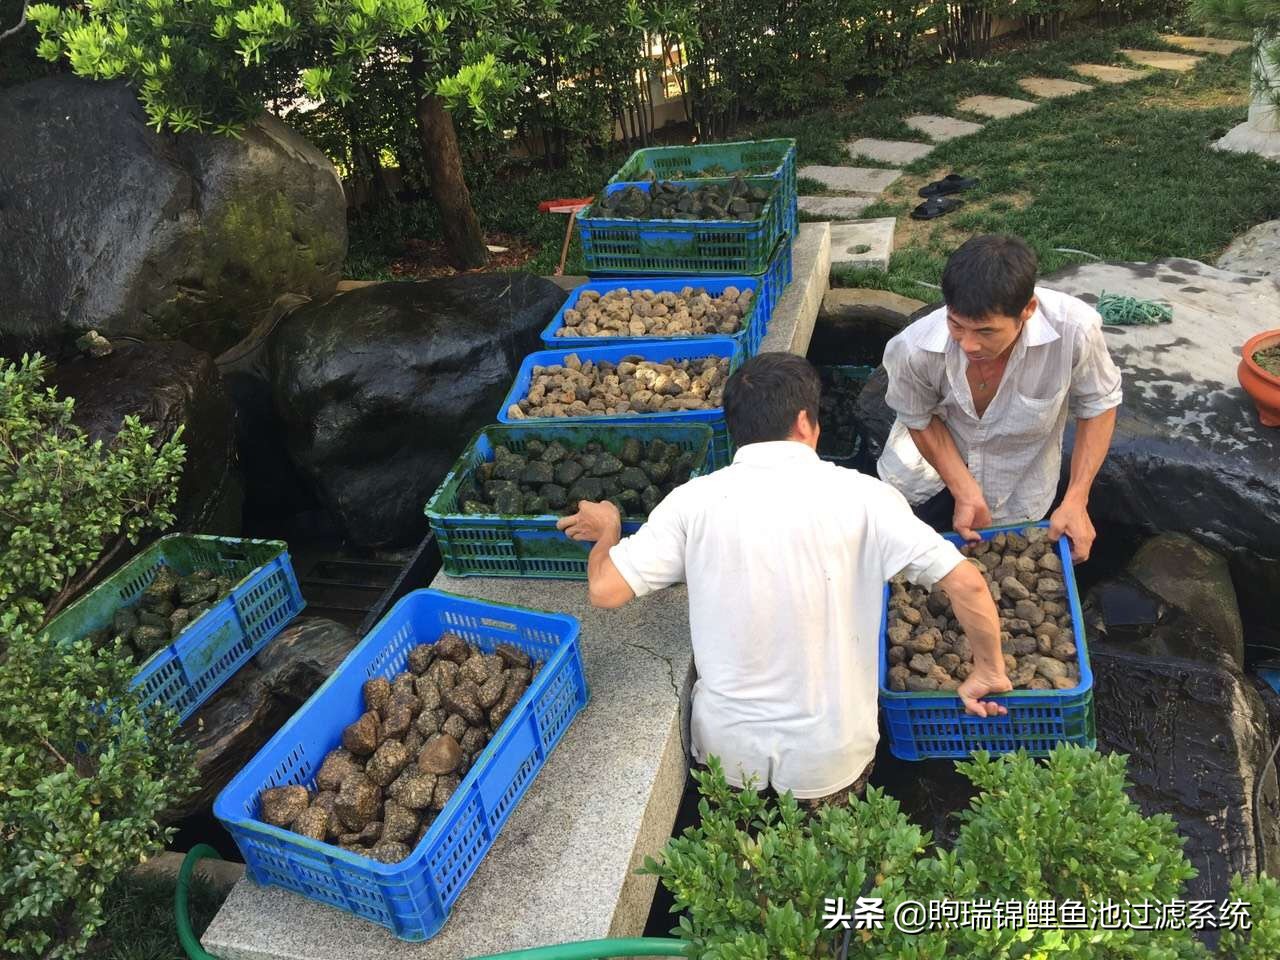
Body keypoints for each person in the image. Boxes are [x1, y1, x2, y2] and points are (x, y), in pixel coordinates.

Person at [556, 353, 1011, 809]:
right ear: (805, 422)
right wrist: (988, 671)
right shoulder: (868, 498)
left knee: (731, 865)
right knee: (822, 872)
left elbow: (605, 590)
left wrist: (608, 531)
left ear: (736, 430)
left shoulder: (692, 503)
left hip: (727, 754)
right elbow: (967, 583)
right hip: (831, 755)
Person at [877, 234, 1123, 562]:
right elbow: (917, 415)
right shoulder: (913, 349)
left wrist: (1077, 498)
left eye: (986, 332)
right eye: (956, 325)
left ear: (1028, 310)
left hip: (1020, 485)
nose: (968, 345)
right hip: (928, 477)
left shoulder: (1074, 331)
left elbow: (1099, 403)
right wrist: (963, 488)